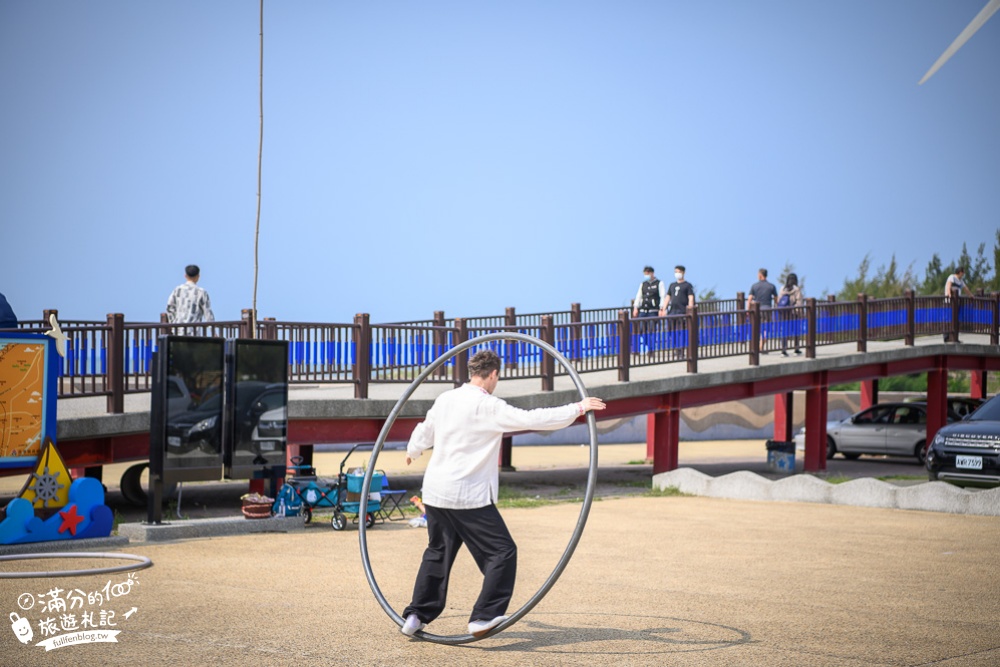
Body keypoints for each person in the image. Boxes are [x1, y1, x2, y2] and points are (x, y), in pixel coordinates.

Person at [400, 349, 606, 639]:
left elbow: (425, 430)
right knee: (502, 552)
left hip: (435, 492)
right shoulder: (489, 406)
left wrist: (412, 451)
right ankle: (484, 616)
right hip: (466, 495)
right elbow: (534, 418)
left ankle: (416, 615)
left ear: (472, 372)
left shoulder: (446, 399)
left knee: (438, 553)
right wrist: (578, 408)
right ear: (493, 374)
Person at [632, 266, 666, 353]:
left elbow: (663, 296)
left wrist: (661, 308)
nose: (646, 276)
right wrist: (636, 307)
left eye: (647, 274)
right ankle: (648, 345)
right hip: (643, 311)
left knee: (651, 330)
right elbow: (638, 296)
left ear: (652, 273)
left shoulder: (659, 283)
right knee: (640, 329)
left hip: (653, 311)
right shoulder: (643, 284)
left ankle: (651, 349)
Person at [747, 268, 778, 353]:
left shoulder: (754, 286)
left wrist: (748, 310)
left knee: (756, 327)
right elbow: (776, 299)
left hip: (757, 311)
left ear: (760, 275)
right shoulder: (771, 286)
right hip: (767, 309)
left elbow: (749, 299)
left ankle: (756, 346)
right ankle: (761, 346)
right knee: (766, 329)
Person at [943, 267, 973, 342]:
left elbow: (966, 289)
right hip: (949, 302)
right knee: (949, 319)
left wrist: (971, 296)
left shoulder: (961, 281)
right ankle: (946, 337)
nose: (963, 274)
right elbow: (948, 286)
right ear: (960, 272)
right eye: (963, 272)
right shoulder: (952, 277)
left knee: (956, 319)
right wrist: (949, 294)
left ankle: (955, 337)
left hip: (957, 302)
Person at [777, 273, 803, 356]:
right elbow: (799, 302)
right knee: (796, 330)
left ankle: (783, 350)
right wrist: (799, 312)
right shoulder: (796, 289)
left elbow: (779, 301)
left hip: (784, 313)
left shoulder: (782, 288)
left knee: (784, 331)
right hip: (793, 313)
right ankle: (796, 349)